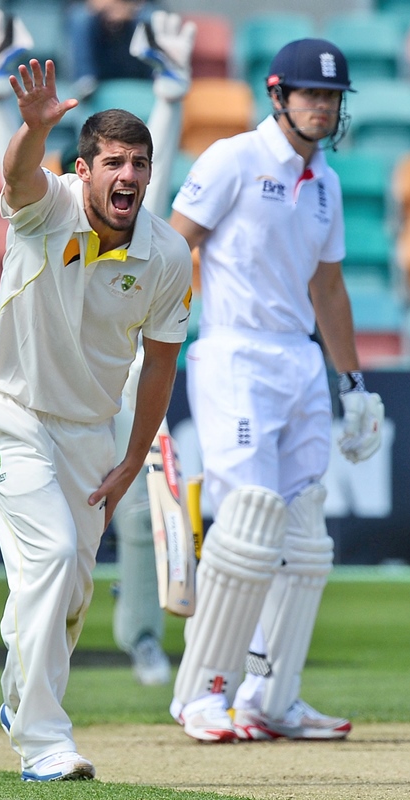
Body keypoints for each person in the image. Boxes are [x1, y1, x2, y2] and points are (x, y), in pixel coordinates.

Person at [0, 34, 193, 781]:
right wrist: (32, 127)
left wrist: (133, 457)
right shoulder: (47, 206)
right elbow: (19, 175)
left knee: (66, 592)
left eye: (139, 164)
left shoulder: (165, 256)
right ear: (83, 170)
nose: (127, 177)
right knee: (54, 558)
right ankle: (43, 741)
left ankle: (18, 689)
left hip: (92, 431)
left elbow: (161, 362)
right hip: (8, 409)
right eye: (113, 164)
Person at [167, 38, 385, 743]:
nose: (323, 106)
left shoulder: (323, 182)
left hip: (297, 363)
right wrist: (142, 344)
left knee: (300, 531)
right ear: (276, 94)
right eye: (310, 94)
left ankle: (272, 693)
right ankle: (206, 692)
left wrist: (351, 383)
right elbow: (176, 245)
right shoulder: (233, 158)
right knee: (247, 522)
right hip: (234, 353)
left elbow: (327, 285)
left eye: (331, 96)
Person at [66, 0, 158, 99]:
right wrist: (107, 5)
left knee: (151, 18)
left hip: (131, 15)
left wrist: (125, 6)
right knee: (80, 18)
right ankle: (86, 80)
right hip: (101, 35)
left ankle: (156, 77)